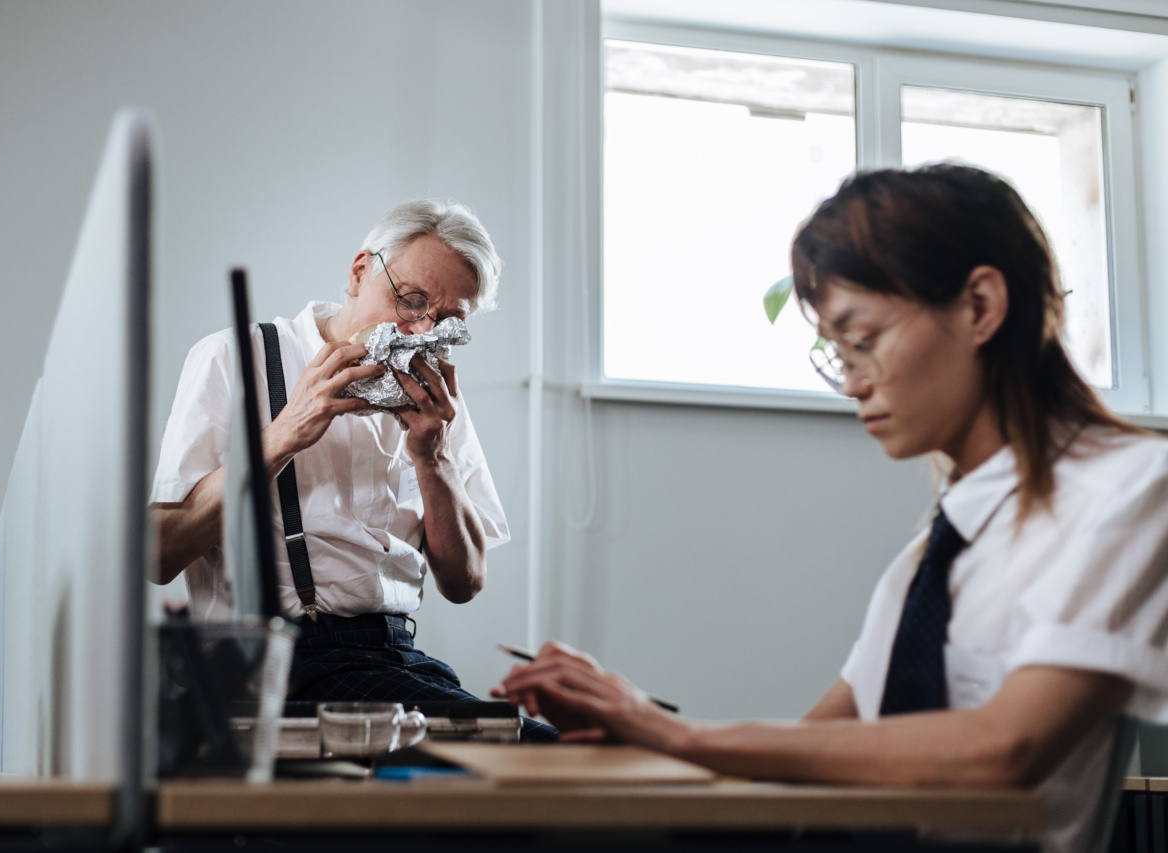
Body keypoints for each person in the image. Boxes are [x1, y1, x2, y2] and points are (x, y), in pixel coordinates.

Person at [495, 164, 1168, 850]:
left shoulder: (1131, 490)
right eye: (836, 355)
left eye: (863, 340)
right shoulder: (931, 555)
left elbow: (1004, 748)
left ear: (979, 307)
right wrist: (631, 724)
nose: (850, 384)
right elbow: (816, 747)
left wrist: (669, 730)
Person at [152, 199, 552, 738]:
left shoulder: (435, 397)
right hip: (275, 670)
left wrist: (432, 457)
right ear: (360, 271)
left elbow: (464, 581)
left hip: (397, 659)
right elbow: (158, 552)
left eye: (448, 323)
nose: (418, 332)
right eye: (410, 301)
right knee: (528, 751)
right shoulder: (237, 357)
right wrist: (285, 433)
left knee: (533, 750)